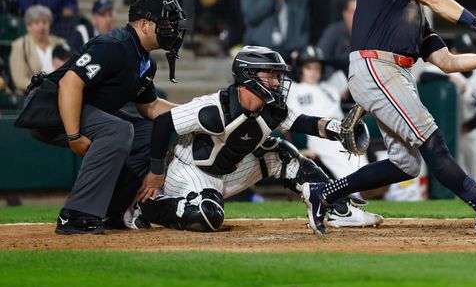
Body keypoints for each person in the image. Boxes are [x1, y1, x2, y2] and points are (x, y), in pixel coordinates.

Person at [300, 0, 476, 236]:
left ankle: (325, 192)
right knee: (432, 142)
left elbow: (448, 62)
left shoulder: (418, 23)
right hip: (375, 65)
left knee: (407, 165)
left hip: (395, 74)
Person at [133, 46, 383, 231]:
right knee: (207, 217)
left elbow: (303, 122)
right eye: (270, 75)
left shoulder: (272, 108)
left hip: (231, 171)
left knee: (281, 152)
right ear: (248, 76)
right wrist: (156, 173)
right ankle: (147, 207)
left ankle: (337, 207)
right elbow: (164, 122)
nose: (277, 81)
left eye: (277, 75)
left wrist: (335, 129)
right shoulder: (213, 108)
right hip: (191, 172)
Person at [14, 0, 185, 234]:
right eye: (166, 23)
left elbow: (151, 107)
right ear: (145, 25)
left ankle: (110, 211)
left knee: (148, 131)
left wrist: (196, 112)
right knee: (118, 129)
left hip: (81, 108)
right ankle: (76, 215)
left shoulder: (145, 61)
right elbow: (70, 83)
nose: (172, 29)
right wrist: (74, 135)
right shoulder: (114, 45)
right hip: (50, 106)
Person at [285, 46, 382, 228]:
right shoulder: (294, 89)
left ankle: (357, 196)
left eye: (317, 68)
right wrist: (294, 60)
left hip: (343, 132)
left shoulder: (330, 86)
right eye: (309, 67)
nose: (314, 72)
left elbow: (347, 64)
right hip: (318, 135)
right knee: (345, 162)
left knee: (357, 158)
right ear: (300, 69)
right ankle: (354, 199)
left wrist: (324, 58)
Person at [419, 33, 476, 178]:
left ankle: (475, 199)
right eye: (463, 51)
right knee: (448, 169)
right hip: (445, 130)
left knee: (472, 172)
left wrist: (463, 128)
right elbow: (424, 76)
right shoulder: (445, 68)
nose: (467, 55)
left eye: (469, 51)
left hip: (468, 130)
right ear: (454, 52)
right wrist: (450, 78)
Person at [9, 5, 67, 93]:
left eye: (44, 22)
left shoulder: (61, 43)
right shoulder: (20, 46)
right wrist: (44, 87)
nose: (41, 26)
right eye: (36, 23)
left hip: (61, 90)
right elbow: (19, 80)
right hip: (33, 95)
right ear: (28, 26)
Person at [317, 0, 356, 89]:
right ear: (345, 13)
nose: (357, 16)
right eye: (353, 12)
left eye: (361, 12)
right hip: (334, 84)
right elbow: (320, 56)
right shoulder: (334, 31)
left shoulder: (369, 34)